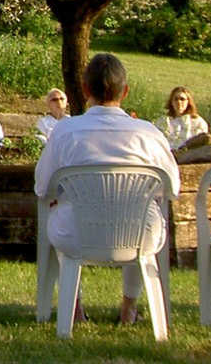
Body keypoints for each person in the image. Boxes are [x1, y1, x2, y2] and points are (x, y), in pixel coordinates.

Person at [34, 52, 179, 327]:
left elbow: (42, 188)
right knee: (139, 217)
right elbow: (172, 187)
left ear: (85, 90)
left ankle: (74, 308)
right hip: (141, 235)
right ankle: (129, 307)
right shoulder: (148, 133)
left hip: (77, 235)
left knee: (59, 214)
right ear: (124, 91)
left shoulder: (65, 132)